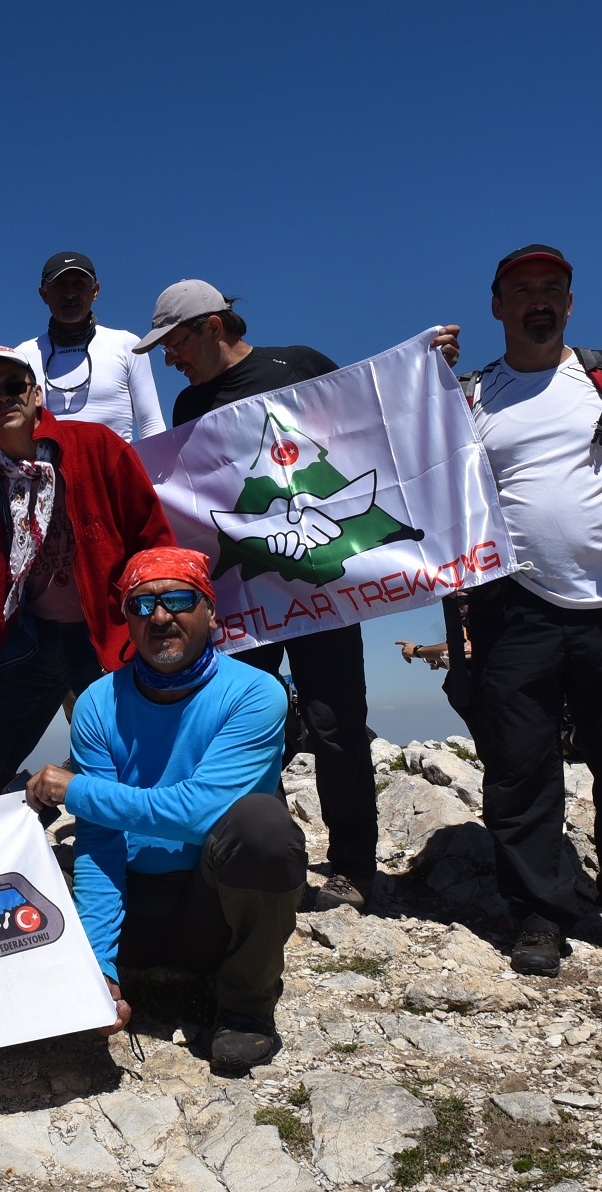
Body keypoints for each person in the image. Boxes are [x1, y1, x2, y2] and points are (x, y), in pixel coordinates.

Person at [135, 277, 462, 913]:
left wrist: (428, 371)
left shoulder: (297, 364)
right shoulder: (185, 405)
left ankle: (353, 871)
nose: (168, 358)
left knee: (335, 723)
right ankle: (259, 857)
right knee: (233, 723)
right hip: (243, 596)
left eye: (173, 342)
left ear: (212, 325)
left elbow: (374, 419)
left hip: (322, 587)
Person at [455, 246, 602, 977]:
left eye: (551, 289)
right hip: (513, 603)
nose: (538, 300)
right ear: (495, 305)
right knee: (520, 767)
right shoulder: (470, 395)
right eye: (521, 289)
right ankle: (538, 913)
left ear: (568, 301)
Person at [23, 546, 304, 1075]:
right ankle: (102, 977)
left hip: (209, 910)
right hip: (136, 916)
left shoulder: (256, 693)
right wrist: (99, 967)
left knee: (262, 827)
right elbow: (100, 842)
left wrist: (77, 792)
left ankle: (245, 1009)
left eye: (178, 599)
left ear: (211, 612)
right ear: (126, 619)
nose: (160, 617)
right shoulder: (97, 703)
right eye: (141, 605)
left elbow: (199, 813)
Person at [0, 347, 174, 800]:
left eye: (14, 387)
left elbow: (153, 544)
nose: (3, 398)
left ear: (37, 395)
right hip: (27, 639)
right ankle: (21, 829)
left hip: (106, 637)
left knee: (137, 758)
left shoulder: (97, 448)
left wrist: (163, 620)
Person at [12, 251, 165, 442]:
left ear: (95, 291)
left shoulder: (127, 345)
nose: (69, 294)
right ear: (43, 294)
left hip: (116, 472)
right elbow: (13, 432)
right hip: (45, 472)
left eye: (79, 284)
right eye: (59, 285)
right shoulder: (22, 356)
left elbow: (151, 424)